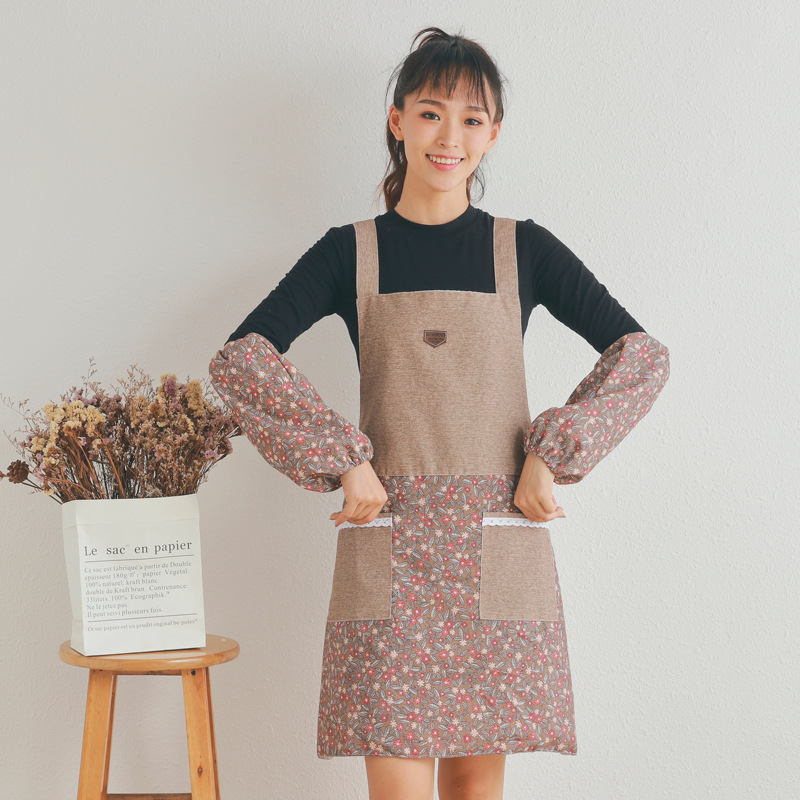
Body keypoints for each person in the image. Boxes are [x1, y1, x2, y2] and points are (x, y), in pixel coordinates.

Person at [209, 26, 670, 800]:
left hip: (497, 544)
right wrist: (343, 459)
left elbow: (642, 355)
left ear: (493, 135)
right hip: (392, 545)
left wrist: (553, 452)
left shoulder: (523, 249)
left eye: (470, 119)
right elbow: (241, 359)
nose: (449, 137)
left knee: (474, 789)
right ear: (397, 121)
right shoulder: (349, 253)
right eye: (430, 113)